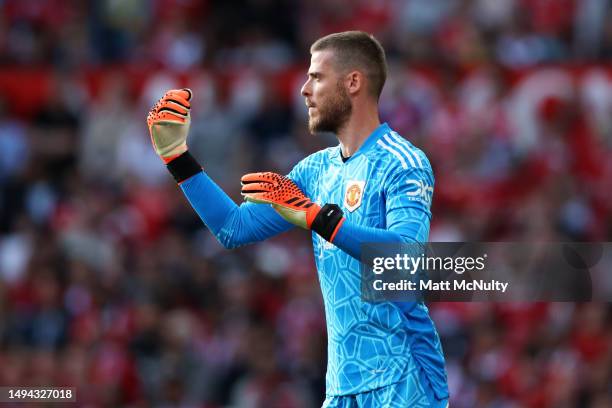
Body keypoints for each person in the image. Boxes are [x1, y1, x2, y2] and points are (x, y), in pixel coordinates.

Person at [147, 31, 449, 408]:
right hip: (342, 389)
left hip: (404, 380)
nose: (304, 90)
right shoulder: (315, 171)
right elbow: (233, 228)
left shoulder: (402, 162)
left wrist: (317, 218)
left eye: (317, 77)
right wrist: (178, 158)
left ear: (353, 82)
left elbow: (407, 259)